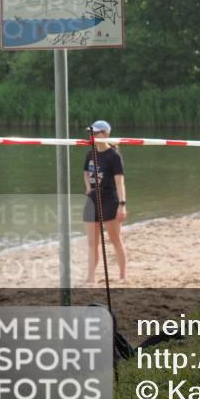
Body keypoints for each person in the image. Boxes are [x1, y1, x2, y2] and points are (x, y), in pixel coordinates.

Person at [81, 120, 128, 285]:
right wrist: (88, 187)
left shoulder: (114, 156)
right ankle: (90, 277)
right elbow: (86, 172)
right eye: (91, 133)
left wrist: (122, 205)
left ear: (105, 134)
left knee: (115, 240)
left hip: (110, 200)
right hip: (92, 200)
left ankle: (122, 276)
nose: (92, 136)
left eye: (96, 133)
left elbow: (120, 182)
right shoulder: (90, 154)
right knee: (92, 243)